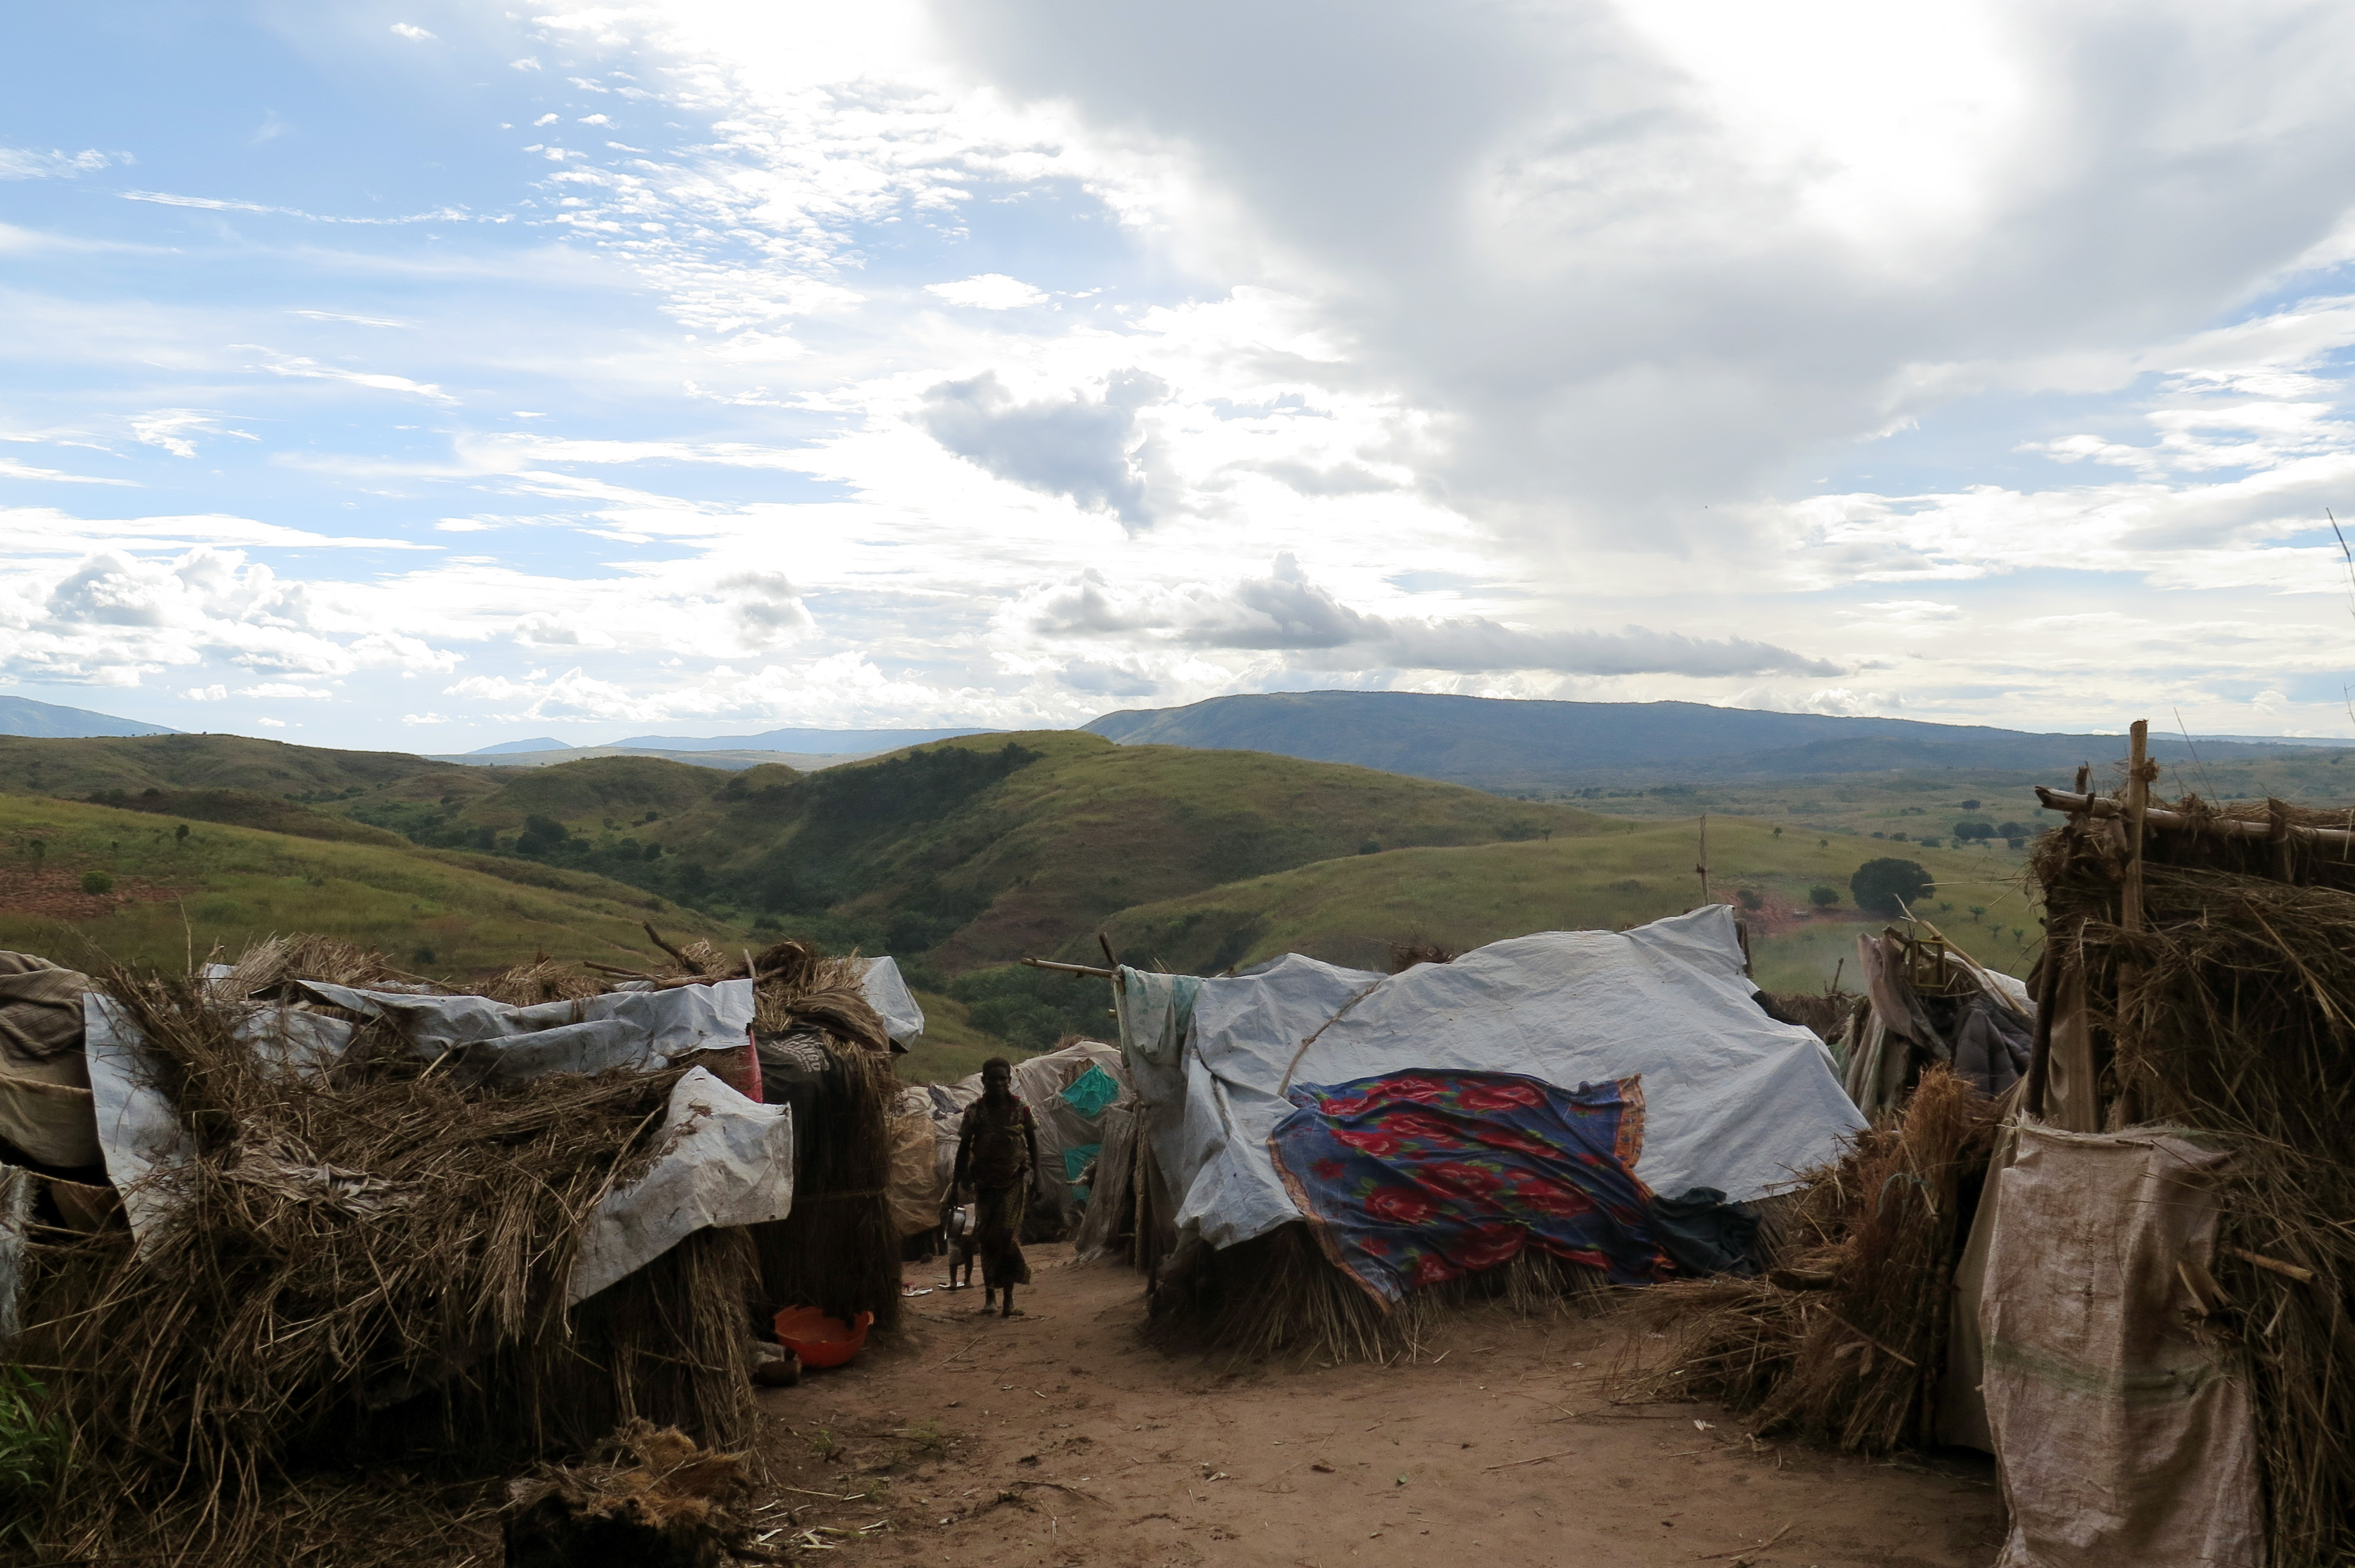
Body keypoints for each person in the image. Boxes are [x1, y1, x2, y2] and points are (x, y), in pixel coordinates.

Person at [951, 1057, 1039, 1318]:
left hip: (1014, 1182)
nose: (999, 1083)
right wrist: (957, 1182)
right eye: (993, 1079)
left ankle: (1009, 1301)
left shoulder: (1021, 1108)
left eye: (1003, 1078)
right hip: (985, 1183)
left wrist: (1040, 1179)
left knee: (1007, 1236)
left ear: (1010, 1081)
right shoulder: (975, 1111)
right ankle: (990, 1297)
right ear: (984, 1081)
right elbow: (964, 1147)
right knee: (988, 1238)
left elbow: (1033, 1143)